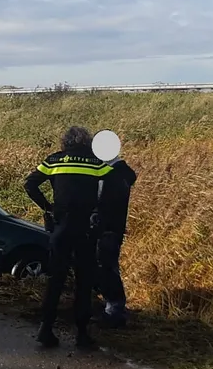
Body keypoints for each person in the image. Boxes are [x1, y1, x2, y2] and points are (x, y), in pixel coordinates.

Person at [24, 126, 116, 349]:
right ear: (88, 142)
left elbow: (29, 183)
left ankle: (45, 329)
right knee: (83, 283)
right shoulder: (96, 163)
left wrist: (48, 207)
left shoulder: (54, 160)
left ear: (65, 142)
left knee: (55, 280)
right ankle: (82, 334)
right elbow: (113, 188)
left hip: (61, 228)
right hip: (85, 230)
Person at [95, 155, 137, 328]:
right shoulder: (121, 173)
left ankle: (114, 311)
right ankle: (112, 308)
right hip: (112, 229)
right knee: (107, 267)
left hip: (108, 229)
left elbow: (102, 203)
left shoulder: (113, 174)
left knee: (108, 268)